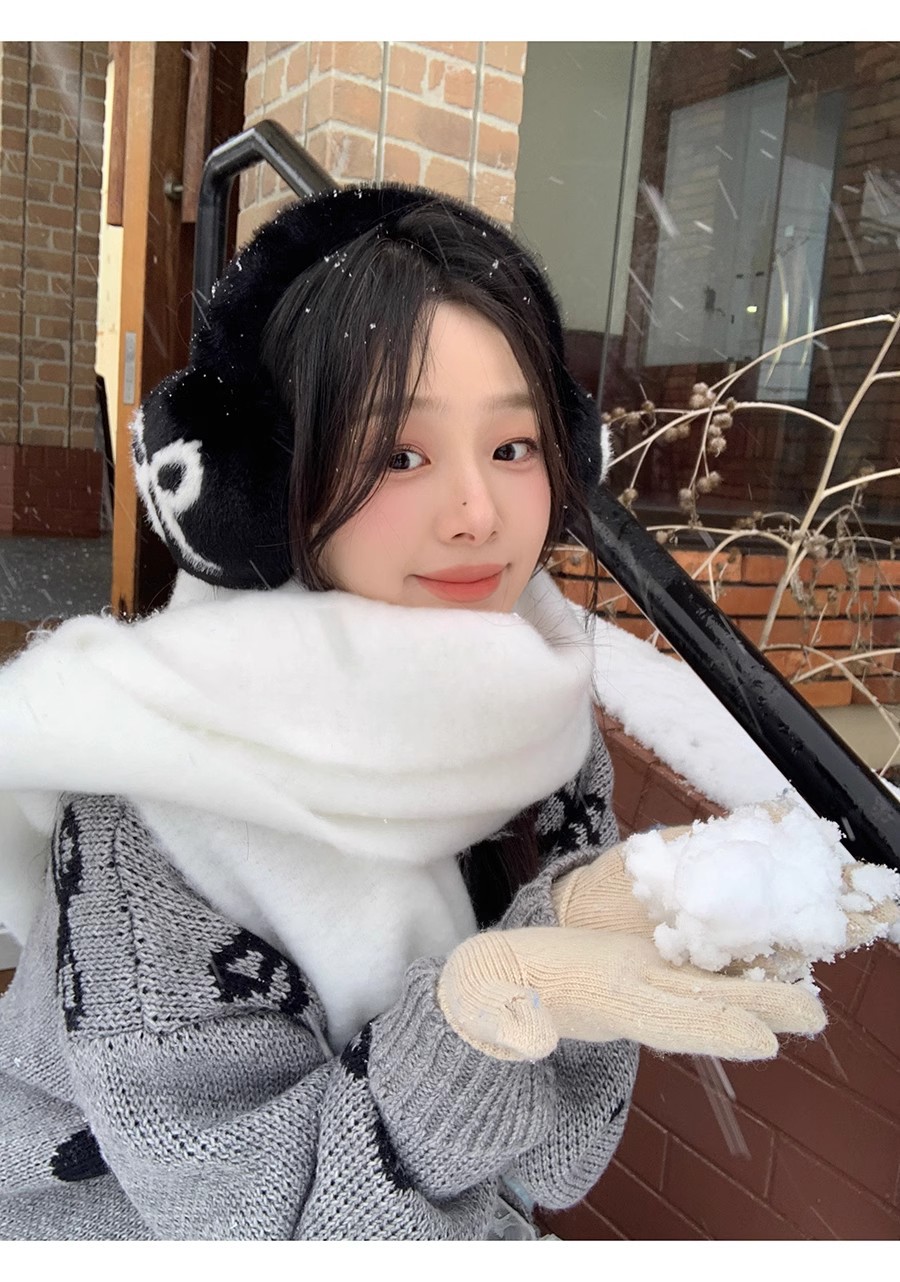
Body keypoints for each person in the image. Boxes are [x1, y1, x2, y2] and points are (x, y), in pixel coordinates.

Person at [0, 186, 829, 1240]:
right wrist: (473, 1023)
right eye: (400, 454)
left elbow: (561, 1156)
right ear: (262, 486)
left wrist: (562, 937)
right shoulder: (154, 797)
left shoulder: (534, 716)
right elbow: (259, 1230)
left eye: (514, 447)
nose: (477, 513)